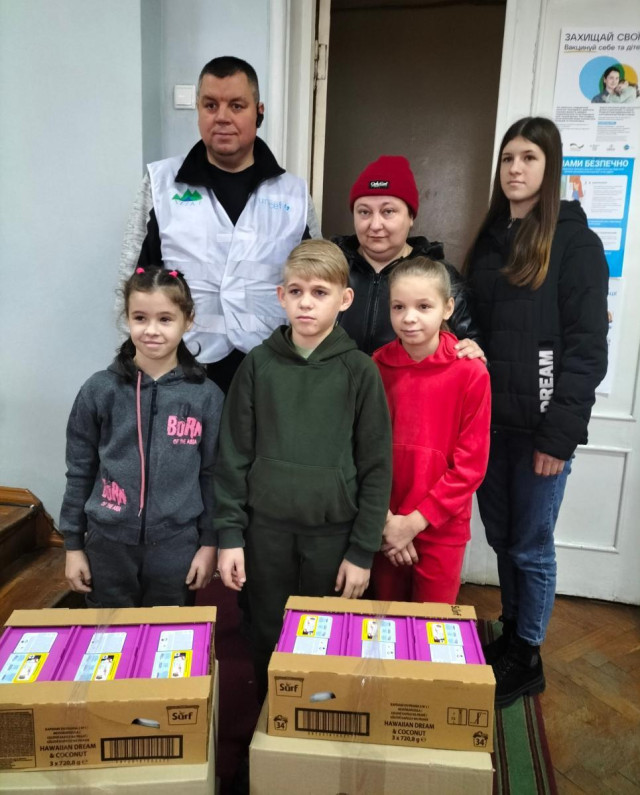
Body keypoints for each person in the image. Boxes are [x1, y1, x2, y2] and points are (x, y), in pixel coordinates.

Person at [463, 117, 609, 707]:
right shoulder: (491, 240)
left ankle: (528, 655)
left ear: (550, 169)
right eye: (508, 159)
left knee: (531, 545)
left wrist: (559, 437)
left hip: (541, 433)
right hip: (491, 427)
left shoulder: (575, 243)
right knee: (503, 540)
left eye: (528, 158)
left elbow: (588, 350)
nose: (515, 169)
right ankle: (512, 632)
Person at [214, 239, 392, 696]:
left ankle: (315, 721)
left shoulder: (361, 372)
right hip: (265, 533)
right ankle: (267, 716)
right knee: (265, 632)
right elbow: (233, 456)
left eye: (319, 292)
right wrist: (230, 536)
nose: (306, 303)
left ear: (344, 299)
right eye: (296, 291)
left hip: (333, 536)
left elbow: (376, 468)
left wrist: (362, 552)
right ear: (281, 296)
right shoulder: (257, 366)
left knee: (326, 637)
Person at [119, 56, 321, 394]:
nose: (222, 117)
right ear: (198, 110)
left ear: (259, 112)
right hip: (180, 371)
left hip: (271, 371)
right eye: (210, 105)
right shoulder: (161, 184)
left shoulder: (294, 194)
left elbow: (319, 285)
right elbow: (132, 281)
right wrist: (132, 364)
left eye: (236, 106)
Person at [60, 267, 224, 607]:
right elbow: (79, 471)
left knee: (168, 633)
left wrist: (209, 543)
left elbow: (213, 474)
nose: (151, 330)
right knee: (109, 634)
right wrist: (73, 545)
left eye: (165, 319)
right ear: (127, 318)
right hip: (107, 544)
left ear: (188, 320)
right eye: (140, 318)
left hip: (177, 547)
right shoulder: (99, 390)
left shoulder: (206, 396)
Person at [371, 257, 491, 604]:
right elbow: (362, 452)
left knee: (432, 624)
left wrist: (414, 523)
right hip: (385, 524)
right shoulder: (375, 367)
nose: (409, 318)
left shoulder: (471, 373)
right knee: (384, 619)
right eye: (399, 307)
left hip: (441, 529)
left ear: (447, 308)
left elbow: (470, 466)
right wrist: (388, 522)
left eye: (424, 306)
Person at [333, 155, 484, 359]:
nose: (375, 225)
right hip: (337, 380)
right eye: (364, 212)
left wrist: (474, 350)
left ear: (411, 216)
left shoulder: (439, 274)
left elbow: (470, 346)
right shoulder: (330, 267)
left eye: (388, 211)